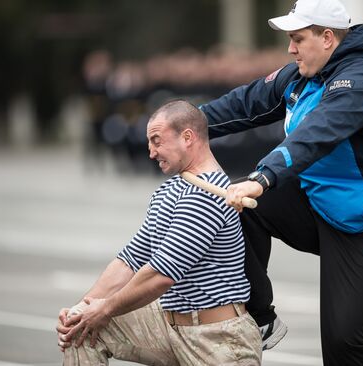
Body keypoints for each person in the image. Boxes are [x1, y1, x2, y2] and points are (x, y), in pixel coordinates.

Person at [200, 0, 363, 364]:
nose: (290, 49)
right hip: (322, 204)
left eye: (297, 39)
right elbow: (245, 103)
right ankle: (260, 319)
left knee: (344, 344)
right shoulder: (302, 74)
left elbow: (316, 133)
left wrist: (263, 177)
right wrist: (182, 125)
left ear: (327, 38)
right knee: (235, 206)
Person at [56, 100, 262, 365]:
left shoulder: (211, 193)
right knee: (80, 328)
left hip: (217, 337)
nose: (151, 152)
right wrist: (85, 306)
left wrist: (104, 309)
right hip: (168, 324)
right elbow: (130, 259)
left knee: (93, 319)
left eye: (157, 140)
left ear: (187, 137)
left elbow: (161, 274)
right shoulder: (168, 190)